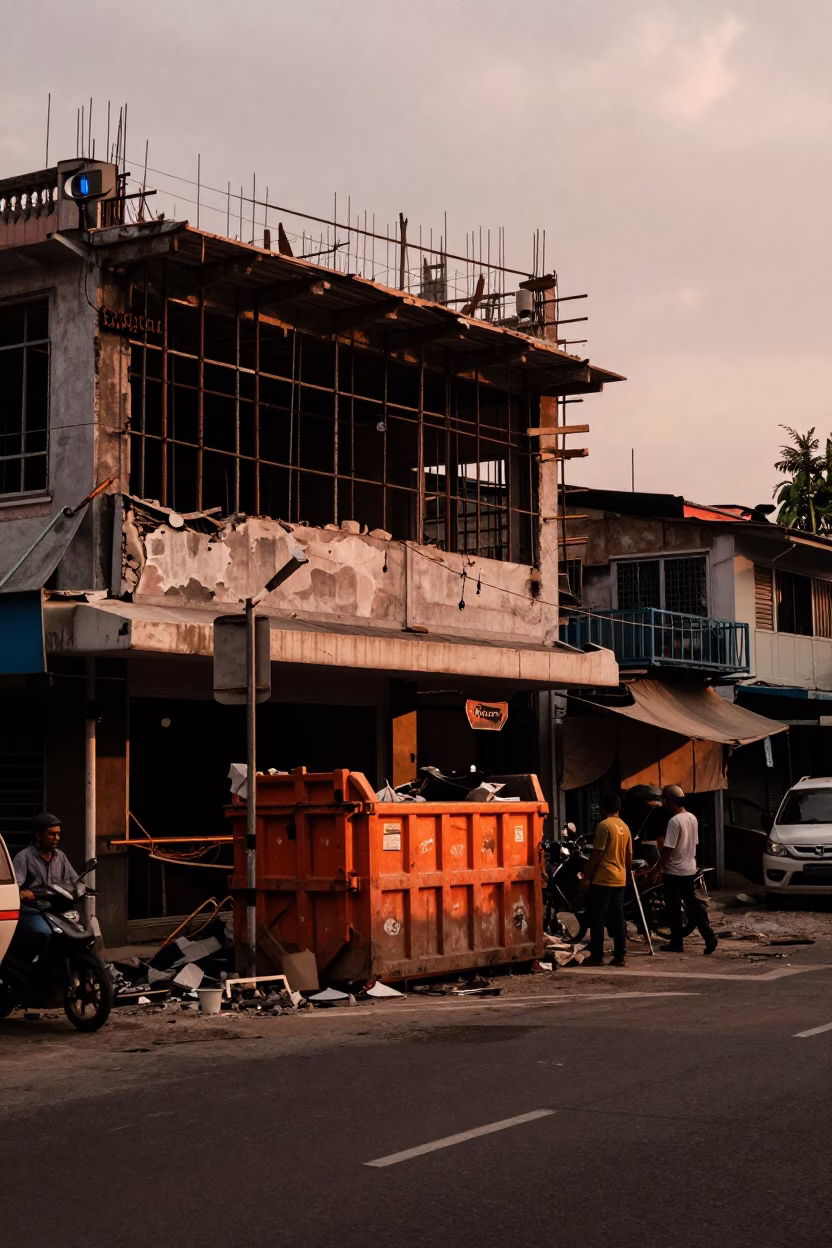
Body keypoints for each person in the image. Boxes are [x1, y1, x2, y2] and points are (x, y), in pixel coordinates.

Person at [653, 786, 717, 955]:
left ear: (671, 801)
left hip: (674, 871)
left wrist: (656, 869)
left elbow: (668, 850)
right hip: (689, 868)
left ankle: (676, 942)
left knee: (673, 909)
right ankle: (709, 935)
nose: (664, 804)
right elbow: (694, 843)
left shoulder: (674, 821)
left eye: (665, 800)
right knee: (693, 906)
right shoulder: (692, 818)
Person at [580, 793, 633, 967]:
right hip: (619, 878)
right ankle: (620, 955)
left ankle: (597, 955)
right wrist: (626, 875)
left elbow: (597, 854)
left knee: (598, 917)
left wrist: (586, 876)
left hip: (603, 878)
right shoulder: (625, 827)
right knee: (618, 916)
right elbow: (629, 856)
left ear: (603, 808)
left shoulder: (604, 826)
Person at [13, 813, 77, 941]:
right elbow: (15, 890)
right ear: (38, 836)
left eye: (58, 834)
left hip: (56, 909)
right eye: (52, 834)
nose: (57, 838)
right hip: (33, 911)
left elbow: (73, 880)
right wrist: (25, 894)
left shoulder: (60, 856)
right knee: (45, 933)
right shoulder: (23, 857)